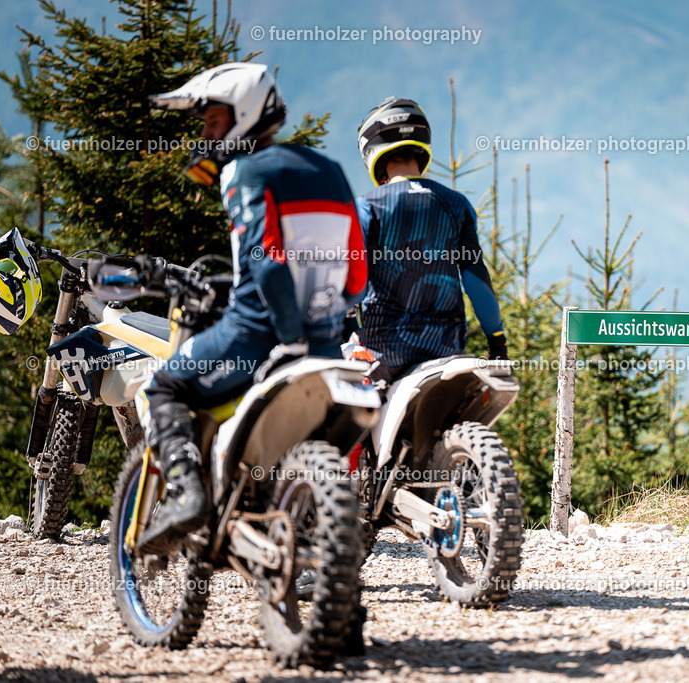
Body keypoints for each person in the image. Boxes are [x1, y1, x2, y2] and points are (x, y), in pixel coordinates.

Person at [136, 62, 367, 553]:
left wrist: (290, 336)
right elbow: (357, 273)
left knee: (165, 385)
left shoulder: (243, 170)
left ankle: (187, 496)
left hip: (257, 335)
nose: (205, 134)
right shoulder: (331, 170)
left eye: (212, 121)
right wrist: (322, 321)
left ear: (243, 113)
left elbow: (267, 260)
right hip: (329, 346)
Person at [352, 96, 508, 388]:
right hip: (447, 350)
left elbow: (350, 281)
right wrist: (497, 342)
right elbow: (476, 280)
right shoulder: (456, 204)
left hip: (384, 353)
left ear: (371, 149)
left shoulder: (367, 207)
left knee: (336, 401)